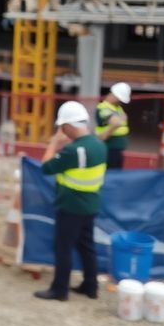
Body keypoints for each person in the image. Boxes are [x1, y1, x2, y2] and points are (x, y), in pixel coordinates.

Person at [33, 101, 107, 302]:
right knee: (87, 246)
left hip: (71, 206)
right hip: (90, 204)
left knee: (63, 247)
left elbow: (46, 167)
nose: (62, 131)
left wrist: (54, 142)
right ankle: (91, 286)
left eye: (62, 127)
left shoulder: (74, 151)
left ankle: (59, 290)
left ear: (68, 126)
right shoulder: (99, 145)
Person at [96, 82, 131, 170]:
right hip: (109, 147)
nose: (120, 103)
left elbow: (124, 119)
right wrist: (104, 135)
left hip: (116, 148)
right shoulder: (104, 108)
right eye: (120, 100)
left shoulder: (117, 108)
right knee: (111, 172)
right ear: (115, 96)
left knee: (116, 171)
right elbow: (117, 123)